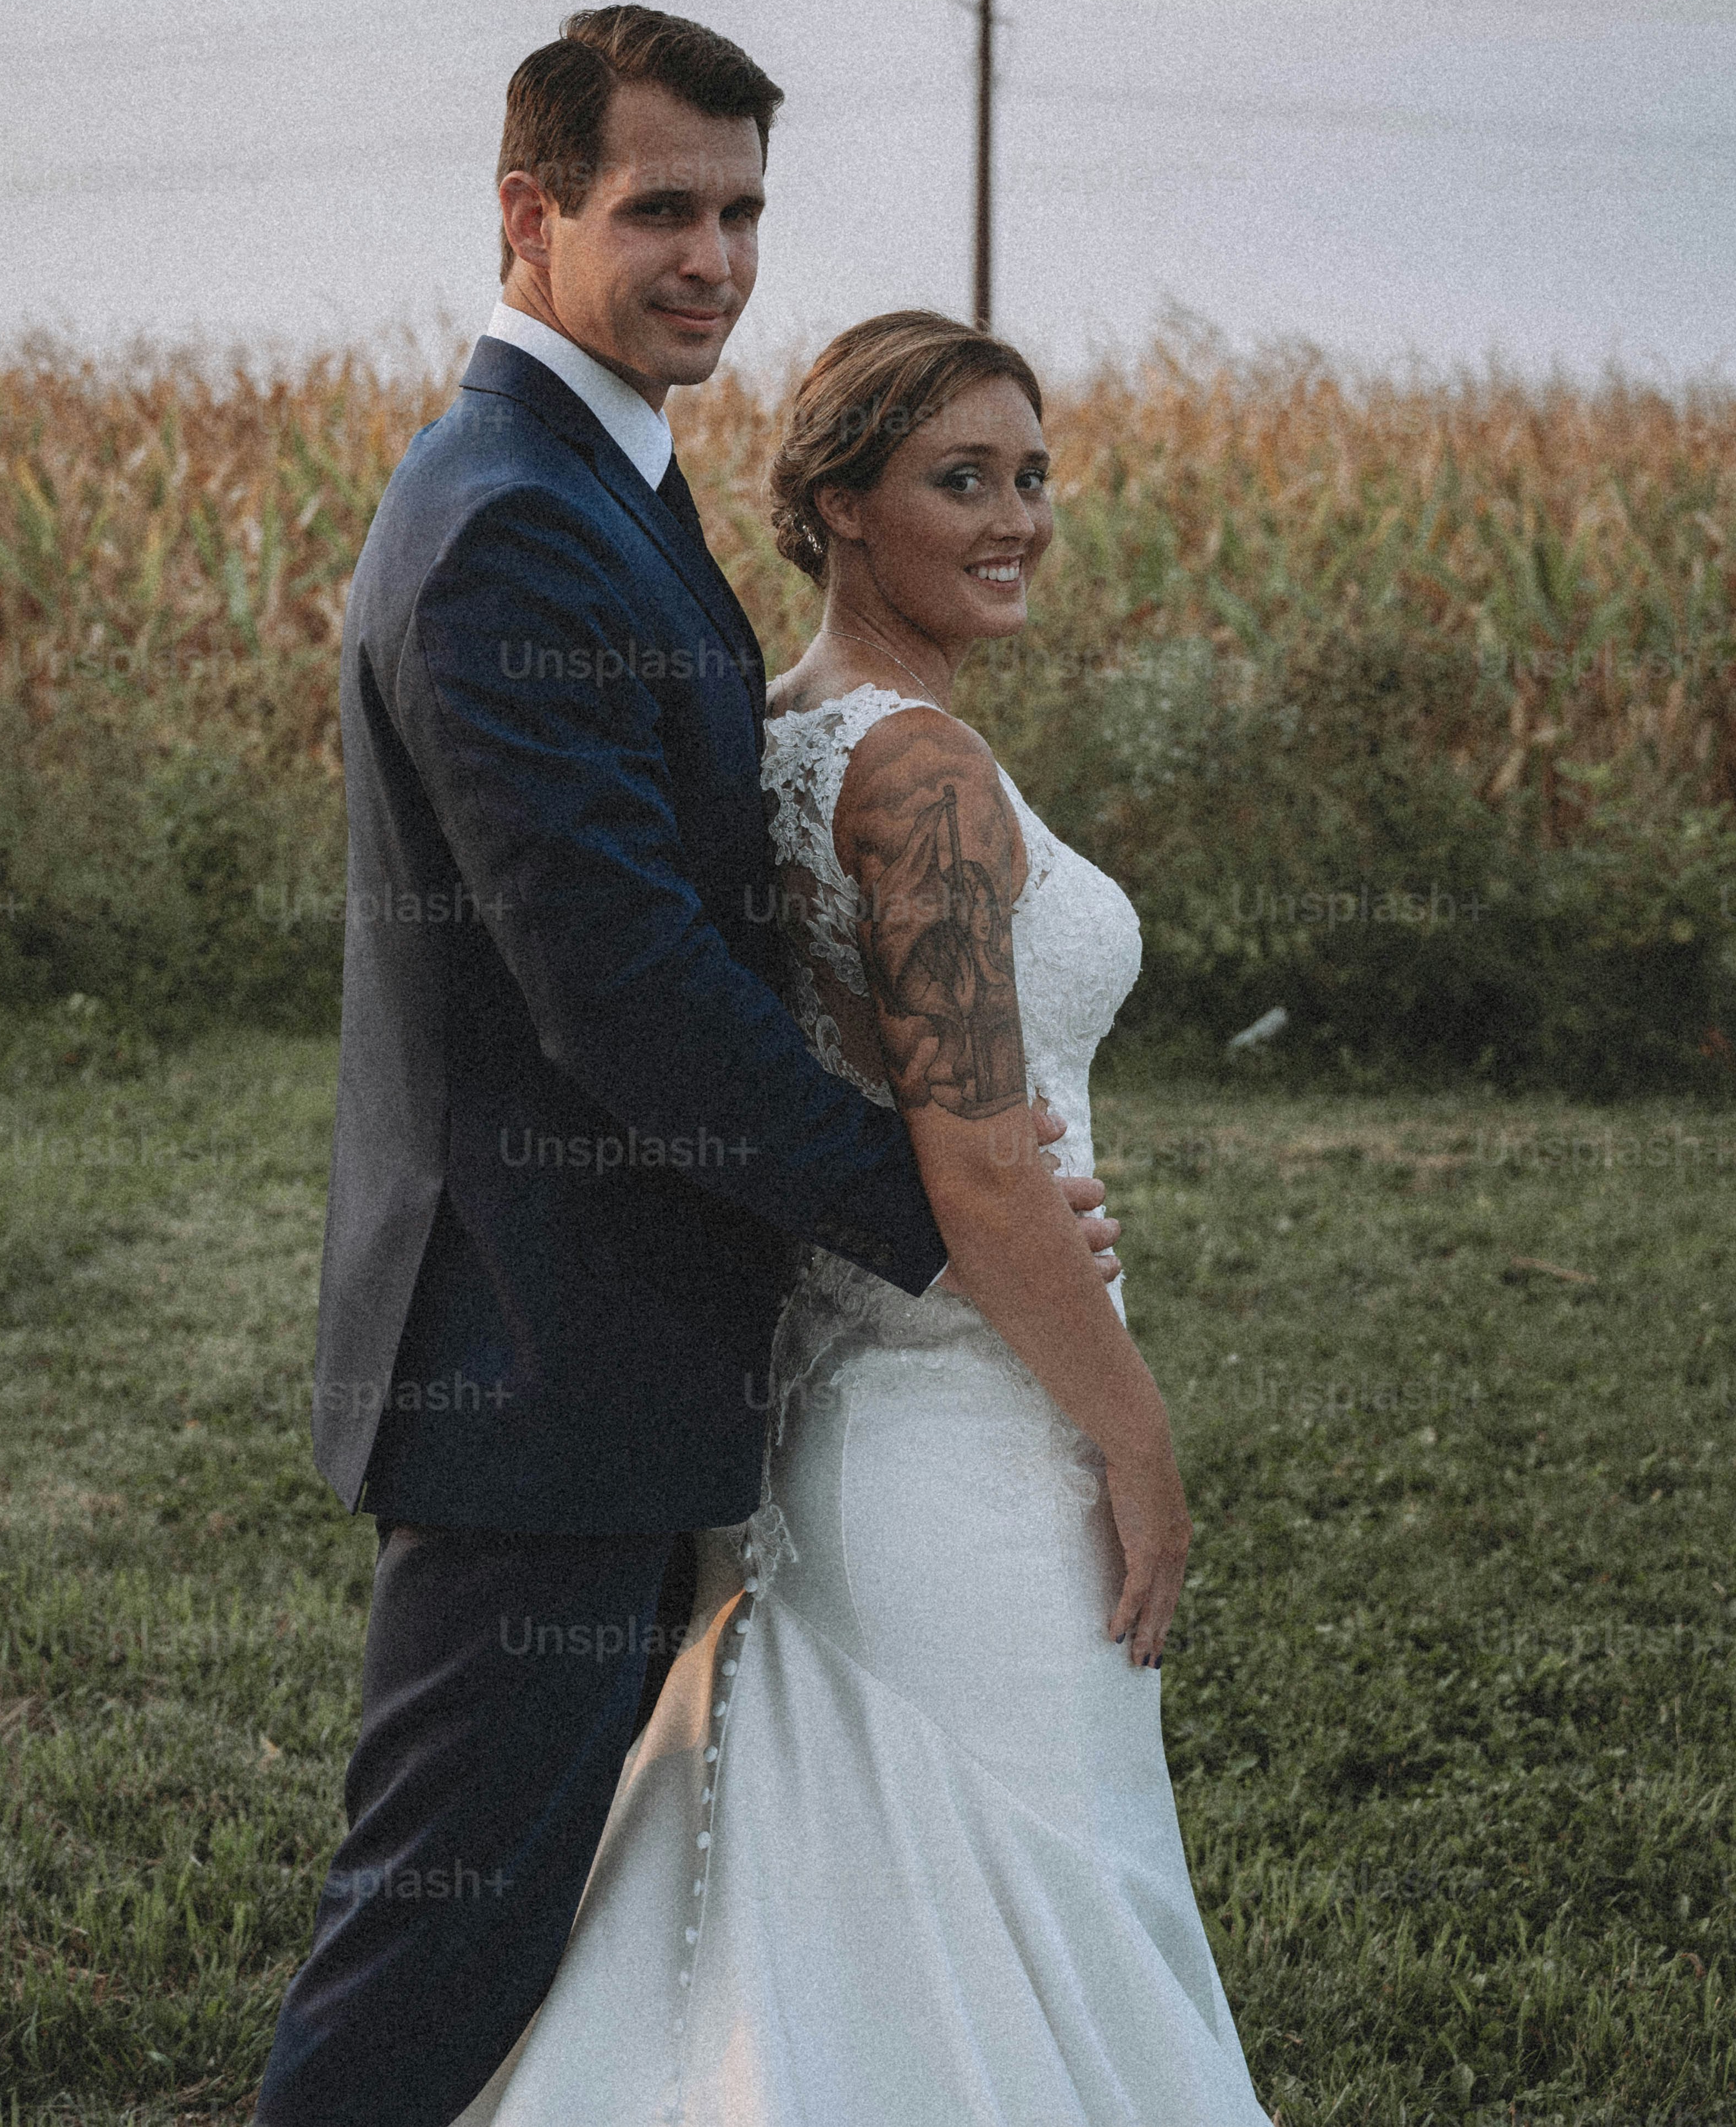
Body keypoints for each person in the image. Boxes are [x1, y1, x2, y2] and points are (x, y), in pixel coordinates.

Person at [258, 9, 1123, 2127]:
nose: (715, 258)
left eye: (743, 211)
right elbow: (620, 994)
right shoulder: (508, 523)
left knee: (556, 1927)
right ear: (528, 216)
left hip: (618, 1348)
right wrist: (937, 1213)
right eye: (662, 209)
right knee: (438, 1936)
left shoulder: (597, 483)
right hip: (533, 1361)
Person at [446, 309, 1269, 2124]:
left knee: (840, 1914)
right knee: (1023, 1902)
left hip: (832, 1413)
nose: (1015, 518)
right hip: (959, 1435)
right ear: (833, 508)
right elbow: (975, 1162)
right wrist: (1135, 1438)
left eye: (1033, 476)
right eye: (956, 478)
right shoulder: (920, 775)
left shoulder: (777, 735)